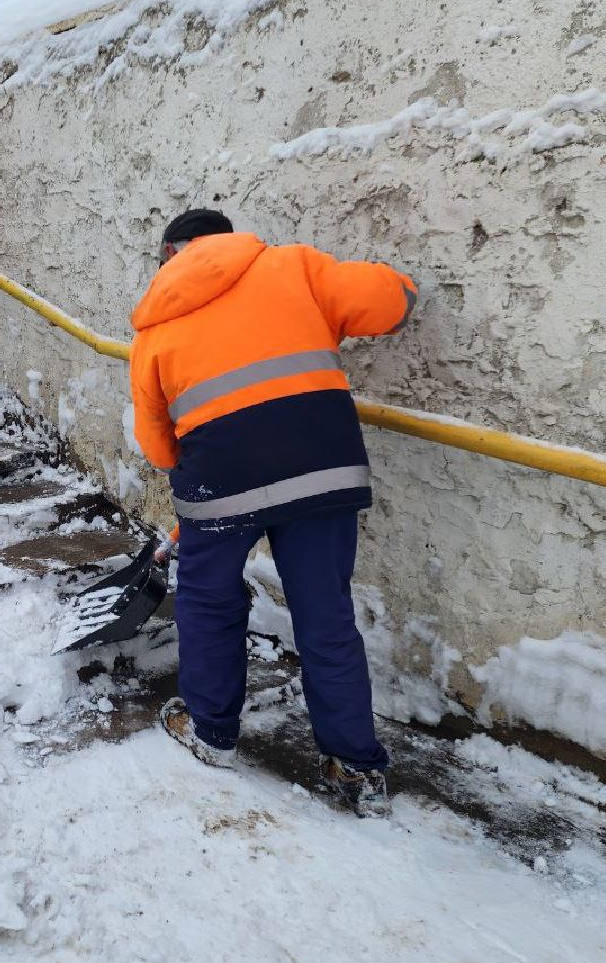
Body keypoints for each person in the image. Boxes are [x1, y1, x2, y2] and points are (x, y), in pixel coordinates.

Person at [129, 209, 416, 818]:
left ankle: (210, 730)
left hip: (222, 486)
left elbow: (158, 448)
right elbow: (387, 303)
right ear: (229, 240)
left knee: (208, 600)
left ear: (168, 258)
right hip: (323, 469)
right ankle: (355, 767)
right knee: (324, 612)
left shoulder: (155, 326)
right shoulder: (295, 265)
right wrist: (404, 287)